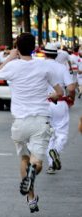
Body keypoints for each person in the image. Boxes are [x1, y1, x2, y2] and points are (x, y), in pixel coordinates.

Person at [0, 32, 63, 213]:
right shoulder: (44, 66)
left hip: (20, 122)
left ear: (17, 47)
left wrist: (9, 58)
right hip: (40, 120)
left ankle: (31, 198)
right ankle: (33, 171)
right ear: (35, 47)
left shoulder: (13, 66)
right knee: (36, 161)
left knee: (24, 158)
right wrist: (51, 96)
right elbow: (60, 92)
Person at [42, 43, 76, 175]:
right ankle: (56, 151)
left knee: (48, 135)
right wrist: (71, 99)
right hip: (59, 103)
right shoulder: (61, 67)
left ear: (44, 53)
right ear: (56, 55)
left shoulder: (39, 66)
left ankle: (51, 164)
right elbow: (71, 88)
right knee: (61, 132)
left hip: (43, 104)